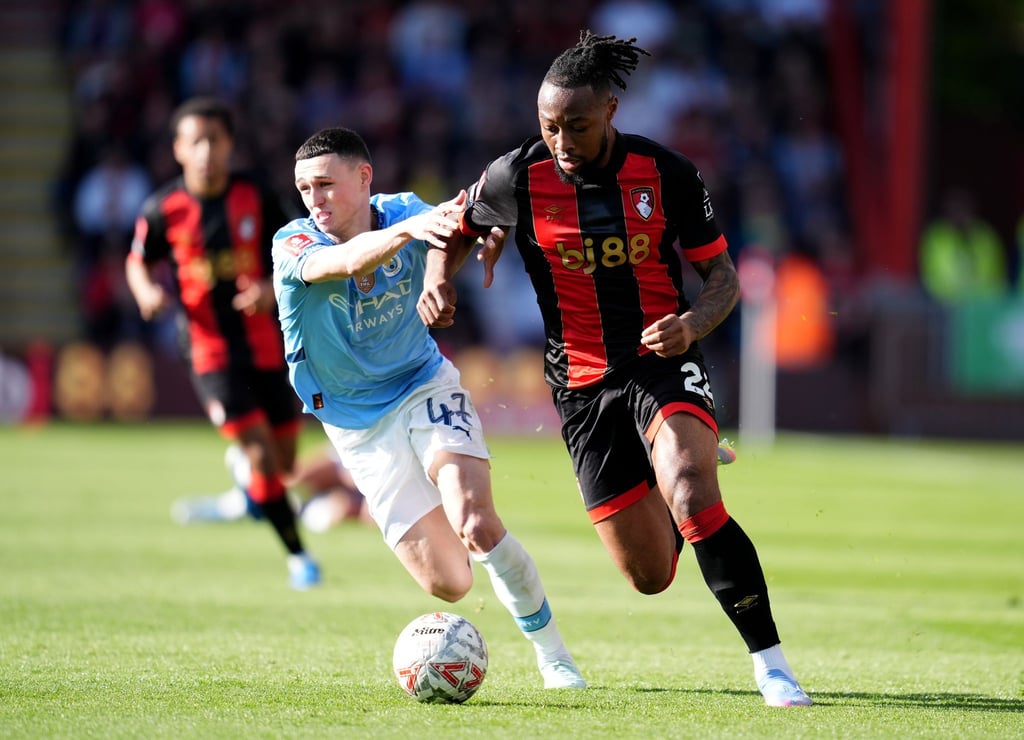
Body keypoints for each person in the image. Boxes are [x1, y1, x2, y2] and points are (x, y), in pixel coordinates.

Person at [418, 31, 811, 707]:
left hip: (662, 359)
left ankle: (772, 666)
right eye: (549, 126)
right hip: (579, 384)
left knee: (693, 492)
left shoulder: (667, 174)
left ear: (611, 111)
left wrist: (692, 325)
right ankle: (673, 460)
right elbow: (455, 226)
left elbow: (722, 279)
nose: (562, 140)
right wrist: (438, 278)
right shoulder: (518, 174)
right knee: (650, 576)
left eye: (576, 124)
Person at [271, 126, 586, 690]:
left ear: (364, 178)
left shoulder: (404, 211)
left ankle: (555, 657)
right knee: (450, 583)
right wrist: (411, 231)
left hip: (422, 384)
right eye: (304, 189)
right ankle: (374, 507)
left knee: (476, 522)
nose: (314, 199)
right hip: (356, 426)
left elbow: (458, 224)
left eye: (325, 184)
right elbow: (340, 264)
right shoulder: (293, 242)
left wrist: (480, 236)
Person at [126, 97, 320, 591]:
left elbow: (299, 250)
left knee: (285, 463)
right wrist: (146, 292)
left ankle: (247, 485)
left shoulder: (257, 195)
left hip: (268, 344)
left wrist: (270, 290)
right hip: (208, 349)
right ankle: (299, 557)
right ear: (178, 149)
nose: (206, 151)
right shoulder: (163, 209)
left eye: (215, 140)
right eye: (196, 142)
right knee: (262, 457)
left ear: (230, 144)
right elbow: (138, 261)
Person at [171, 442, 371, 533]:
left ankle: (259, 503)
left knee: (351, 509)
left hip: (375, 485)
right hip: (367, 454)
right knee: (305, 476)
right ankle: (257, 495)